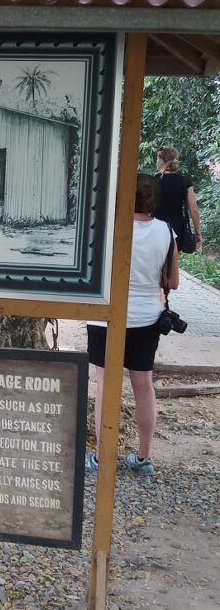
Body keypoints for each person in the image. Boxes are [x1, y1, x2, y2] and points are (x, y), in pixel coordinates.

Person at [85, 173, 179, 477]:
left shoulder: (109, 229)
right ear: (154, 200)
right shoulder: (166, 231)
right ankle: (143, 457)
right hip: (146, 318)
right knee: (143, 385)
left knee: (104, 386)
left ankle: (101, 458)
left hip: (105, 317)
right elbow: (173, 282)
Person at [153, 146, 202, 251]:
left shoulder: (153, 180)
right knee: (172, 264)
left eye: (157, 158)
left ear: (161, 160)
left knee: (156, 263)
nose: (156, 161)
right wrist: (198, 232)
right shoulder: (184, 181)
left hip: (155, 227)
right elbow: (193, 209)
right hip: (176, 228)